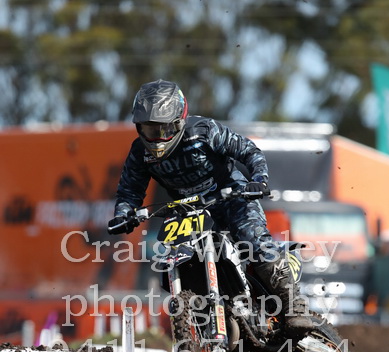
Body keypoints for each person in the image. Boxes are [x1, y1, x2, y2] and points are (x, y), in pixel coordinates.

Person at [108, 79, 312, 334]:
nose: (157, 138)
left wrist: (258, 180)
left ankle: (295, 307)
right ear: (138, 127)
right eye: (150, 130)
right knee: (174, 258)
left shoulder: (204, 131)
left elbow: (248, 151)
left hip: (231, 197)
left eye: (163, 129)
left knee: (252, 239)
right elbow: (129, 191)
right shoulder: (140, 152)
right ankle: (207, 318)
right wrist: (123, 214)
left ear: (179, 121)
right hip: (187, 212)